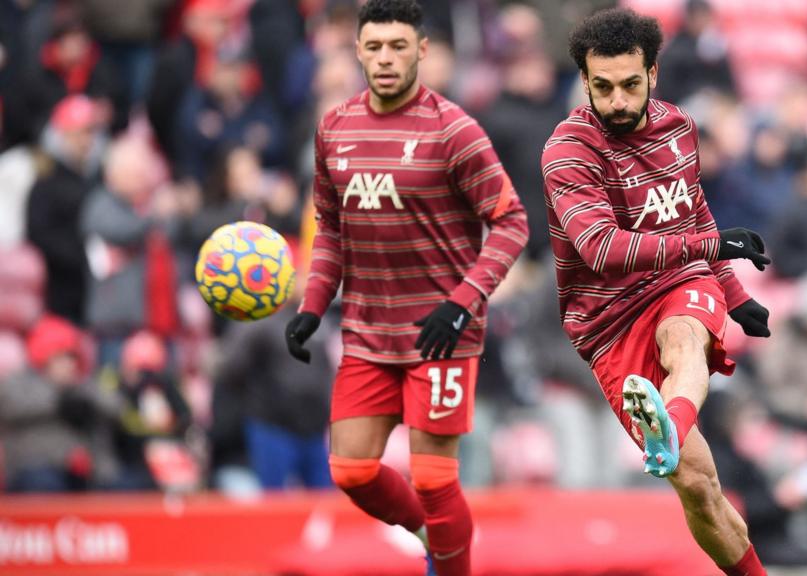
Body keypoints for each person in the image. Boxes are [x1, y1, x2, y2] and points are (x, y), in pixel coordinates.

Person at [283, 1, 529, 575]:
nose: (386, 58)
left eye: (398, 46)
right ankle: (433, 538)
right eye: (374, 47)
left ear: (421, 51)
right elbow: (330, 229)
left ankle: (449, 562)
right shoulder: (334, 128)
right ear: (359, 52)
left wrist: (463, 304)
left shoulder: (456, 129)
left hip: (440, 333)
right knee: (351, 470)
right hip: (368, 330)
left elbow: (512, 221)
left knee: (435, 478)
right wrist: (312, 307)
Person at [541, 9, 771, 575]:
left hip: (678, 284)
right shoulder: (566, 152)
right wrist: (710, 248)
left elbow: (692, 210)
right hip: (607, 323)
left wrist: (735, 295)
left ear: (654, 73)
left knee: (682, 340)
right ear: (585, 81)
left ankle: (667, 419)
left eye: (629, 84)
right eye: (602, 87)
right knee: (698, 484)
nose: (617, 100)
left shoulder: (681, 128)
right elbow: (602, 250)